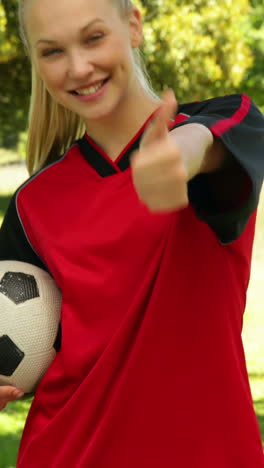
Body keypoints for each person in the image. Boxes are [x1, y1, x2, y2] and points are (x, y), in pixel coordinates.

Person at [0, 0, 263, 466]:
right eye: (52, 51)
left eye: (93, 38)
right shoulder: (31, 205)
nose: (79, 67)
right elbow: (26, 341)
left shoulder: (226, 126)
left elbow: (206, 143)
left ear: (135, 26)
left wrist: (178, 156)